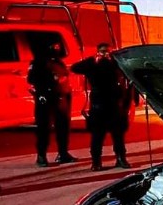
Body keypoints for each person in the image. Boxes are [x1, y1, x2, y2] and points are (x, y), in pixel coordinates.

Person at [71, 43, 135, 171]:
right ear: (98, 52)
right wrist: (92, 60)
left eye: (108, 52)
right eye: (103, 52)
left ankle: (121, 158)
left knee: (118, 134)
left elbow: (129, 72)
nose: (106, 54)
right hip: (98, 105)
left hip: (114, 104)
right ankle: (96, 162)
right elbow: (75, 68)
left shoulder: (116, 63)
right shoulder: (92, 63)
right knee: (97, 135)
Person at [26, 42, 76, 167]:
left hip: (61, 97)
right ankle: (41, 156)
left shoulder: (58, 61)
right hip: (45, 98)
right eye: (54, 47)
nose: (56, 49)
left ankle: (63, 153)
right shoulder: (38, 63)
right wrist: (48, 83)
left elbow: (65, 75)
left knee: (63, 127)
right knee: (44, 128)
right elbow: (31, 79)